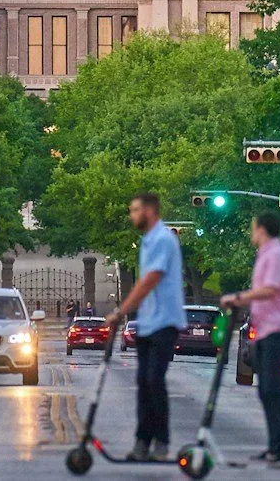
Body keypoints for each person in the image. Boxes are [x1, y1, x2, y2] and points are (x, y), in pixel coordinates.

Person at [220, 213, 280, 464]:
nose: (250, 232)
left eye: (252, 227)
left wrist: (238, 298)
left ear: (262, 229)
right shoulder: (267, 254)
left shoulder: (276, 254)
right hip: (268, 330)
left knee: (273, 389)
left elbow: (270, 289)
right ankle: (275, 447)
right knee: (266, 391)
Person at [107, 192, 185, 463]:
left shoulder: (163, 239)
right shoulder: (147, 241)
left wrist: (121, 310)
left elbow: (151, 279)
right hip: (149, 321)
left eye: (135, 210)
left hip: (165, 321)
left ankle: (161, 443)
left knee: (154, 381)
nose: (132, 215)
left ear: (150, 211)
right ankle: (143, 442)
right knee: (143, 382)